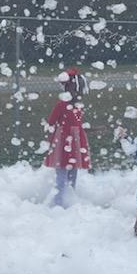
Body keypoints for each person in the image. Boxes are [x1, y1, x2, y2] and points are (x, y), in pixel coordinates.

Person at [43, 67, 104, 207]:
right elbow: (51, 122)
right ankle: (57, 204)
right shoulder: (61, 105)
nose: (79, 93)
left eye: (80, 91)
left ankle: (70, 202)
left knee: (72, 176)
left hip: (75, 145)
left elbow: (77, 125)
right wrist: (52, 140)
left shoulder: (78, 106)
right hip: (62, 144)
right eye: (77, 90)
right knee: (61, 177)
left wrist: (93, 130)